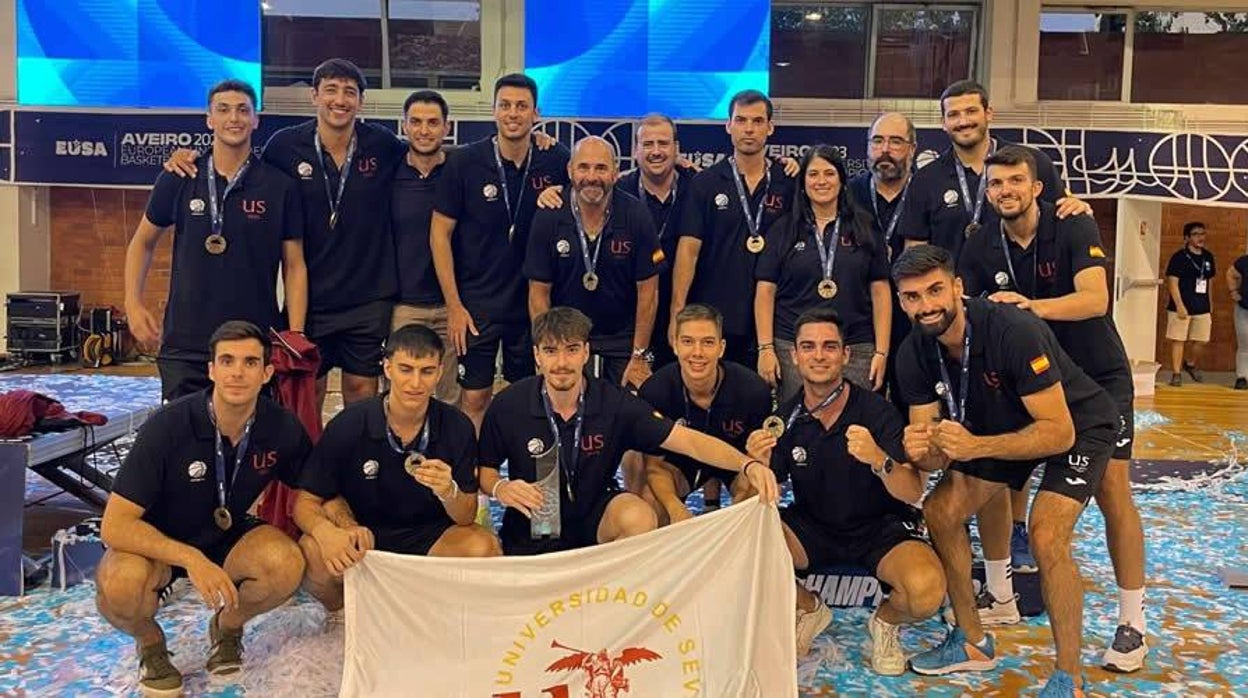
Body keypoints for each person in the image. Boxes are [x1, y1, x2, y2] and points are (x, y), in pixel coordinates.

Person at [892, 245, 1119, 697]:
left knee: (1046, 534)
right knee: (941, 510)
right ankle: (973, 642)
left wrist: (976, 446)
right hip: (1000, 424)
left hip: (1076, 424)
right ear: (902, 302)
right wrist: (921, 449)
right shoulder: (912, 352)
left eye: (935, 290)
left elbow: (1058, 433)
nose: (926, 305)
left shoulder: (1013, 329)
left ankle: (1068, 678)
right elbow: (932, 454)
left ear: (957, 287)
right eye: (913, 297)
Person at [959, 146, 1148, 671]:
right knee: (997, 476)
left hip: (1098, 380)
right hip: (1026, 384)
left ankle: (1133, 623)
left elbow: (1095, 300)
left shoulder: (1072, 225)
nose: (1005, 191)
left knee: (1113, 491)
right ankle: (1000, 597)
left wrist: (1028, 310)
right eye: (996, 184)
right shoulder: (978, 248)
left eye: (1016, 181)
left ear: (1038, 186)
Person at [163, 59, 408, 409]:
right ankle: (310, 464)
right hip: (311, 298)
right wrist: (186, 158)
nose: (339, 100)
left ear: (361, 101)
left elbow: (421, 160)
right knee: (308, 392)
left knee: (361, 392)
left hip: (368, 297)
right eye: (331, 90)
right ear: (314, 96)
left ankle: (354, 462)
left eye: (349, 92)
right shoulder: (284, 146)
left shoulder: (383, 145)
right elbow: (237, 164)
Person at [95, 321, 311, 695]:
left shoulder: (281, 427)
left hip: (224, 534)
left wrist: (333, 525)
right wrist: (191, 559)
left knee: (286, 563)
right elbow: (114, 526)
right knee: (119, 586)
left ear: (267, 372)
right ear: (211, 370)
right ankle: (150, 644)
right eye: (227, 361)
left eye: (249, 362)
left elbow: (316, 488)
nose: (237, 372)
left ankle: (228, 626)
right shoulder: (168, 426)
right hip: (157, 542)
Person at [477, 307, 778, 555]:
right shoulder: (508, 404)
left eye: (571, 350)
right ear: (537, 356)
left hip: (596, 517)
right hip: (533, 527)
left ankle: (612, 594)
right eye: (551, 351)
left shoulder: (614, 403)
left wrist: (746, 464)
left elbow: (689, 442)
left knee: (639, 515)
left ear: (586, 352)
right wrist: (501, 488)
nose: (561, 363)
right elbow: (485, 470)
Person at [745, 308, 945, 673]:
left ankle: (884, 622)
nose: (819, 356)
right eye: (808, 346)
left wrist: (879, 460)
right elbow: (759, 499)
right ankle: (808, 608)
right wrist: (754, 466)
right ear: (794, 355)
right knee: (744, 543)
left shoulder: (878, 412)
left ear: (845, 355)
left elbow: (913, 490)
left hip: (879, 528)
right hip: (814, 527)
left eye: (829, 346)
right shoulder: (784, 419)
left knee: (926, 591)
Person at [293, 324, 500, 616]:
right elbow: (304, 503)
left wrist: (448, 491)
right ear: (387, 368)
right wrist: (328, 532)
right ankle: (343, 612)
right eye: (406, 369)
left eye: (426, 371)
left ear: (440, 373)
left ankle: (426, 609)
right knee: (312, 552)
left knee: (484, 548)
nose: (415, 382)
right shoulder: (349, 424)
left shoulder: (457, 426)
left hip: (429, 535)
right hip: (364, 536)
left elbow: (465, 515)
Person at [125, 79, 308, 401]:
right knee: (185, 441)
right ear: (209, 119)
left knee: (249, 441)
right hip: (186, 341)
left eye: (242, 110)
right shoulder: (179, 176)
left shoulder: (280, 186)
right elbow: (142, 242)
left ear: (256, 120)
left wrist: (294, 333)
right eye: (223, 110)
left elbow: (294, 265)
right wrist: (132, 302)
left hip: (252, 340)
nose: (233, 118)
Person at [431, 73, 571, 429]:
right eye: (505, 105)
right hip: (476, 305)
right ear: (493, 111)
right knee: (474, 397)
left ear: (536, 113)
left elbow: (591, 191)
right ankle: (468, 482)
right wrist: (454, 306)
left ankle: (521, 480)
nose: (513, 113)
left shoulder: (555, 159)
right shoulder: (464, 162)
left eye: (522, 106)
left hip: (530, 305)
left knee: (526, 396)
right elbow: (439, 235)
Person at [899, 80, 1090, 262]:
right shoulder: (925, 179)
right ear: (943, 122)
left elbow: (1064, 216)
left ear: (988, 113)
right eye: (954, 114)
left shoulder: (1033, 163)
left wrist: (1079, 210)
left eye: (971, 111)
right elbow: (915, 250)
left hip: (1027, 292)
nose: (963, 121)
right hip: (956, 292)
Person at [755, 145, 891, 400]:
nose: (821, 181)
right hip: (793, 347)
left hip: (856, 346)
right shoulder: (783, 229)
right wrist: (766, 348)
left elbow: (880, 291)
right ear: (803, 182)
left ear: (842, 179)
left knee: (853, 426)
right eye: (813, 174)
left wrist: (881, 352)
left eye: (829, 174)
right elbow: (765, 291)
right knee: (801, 426)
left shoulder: (865, 227)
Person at [525, 136, 663, 388]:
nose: (591, 176)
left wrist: (639, 354)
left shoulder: (636, 214)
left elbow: (649, 292)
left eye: (601, 168)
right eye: (583, 167)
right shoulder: (548, 216)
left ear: (615, 173)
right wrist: (548, 351)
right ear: (570, 171)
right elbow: (538, 293)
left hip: (623, 338)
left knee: (628, 413)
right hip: (566, 338)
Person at [672, 90, 795, 369]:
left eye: (757, 121)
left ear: (770, 127)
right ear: (728, 126)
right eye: (740, 120)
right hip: (716, 315)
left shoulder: (788, 182)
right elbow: (688, 251)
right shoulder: (705, 183)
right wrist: (677, 313)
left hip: (774, 319)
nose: (749, 129)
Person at [638, 304, 772, 523]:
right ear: (675, 345)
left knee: (758, 494)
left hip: (736, 462)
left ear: (721, 347)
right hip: (680, 465)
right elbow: (653, 466)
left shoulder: (754, 391)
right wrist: (675, 509)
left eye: (707, 342)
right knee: (650, 501)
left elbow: (757, 461)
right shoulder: (654, 391)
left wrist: (744, 500)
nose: (697, 353)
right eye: (688, 342)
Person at [390, 89, 461, 404]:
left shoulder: (463, 170)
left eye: (433, 122)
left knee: (448, 397)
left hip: (454, 307)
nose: (424, 130)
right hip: (404, 306)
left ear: (447, 128)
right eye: (416, 122)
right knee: (405, 394)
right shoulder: (388, 173)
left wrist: (546, 142)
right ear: (404, 125)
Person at [848, 112, 917, 414]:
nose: (885, 150)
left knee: (910, 403)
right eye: (877, 141)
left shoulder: (926, 192)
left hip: (912, 318)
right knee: (860, 409)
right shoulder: (848, 193)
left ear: (912, 148)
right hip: (860, 318)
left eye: (895, 142)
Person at [1164, 222, 1216, 387]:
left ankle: (1190, 363)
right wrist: (1179, 305)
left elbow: (1209, 282)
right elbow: (1172, 282)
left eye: (1202, 233)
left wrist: (1211, 303)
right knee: (1178, 340)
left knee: (1201, 340)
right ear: (1187, 238)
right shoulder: (1179, 257)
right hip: (1181, 306)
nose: (1200, 237)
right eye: (1196, 234)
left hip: (1202, 306)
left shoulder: (1208, 256)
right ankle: (1176, 374)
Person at [1230, 251, 1248, 390]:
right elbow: (1230, 273)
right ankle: (1242, 377)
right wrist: (1233, 291)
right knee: (1244, 345)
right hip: (1244, 308)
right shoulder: (1244, 261)